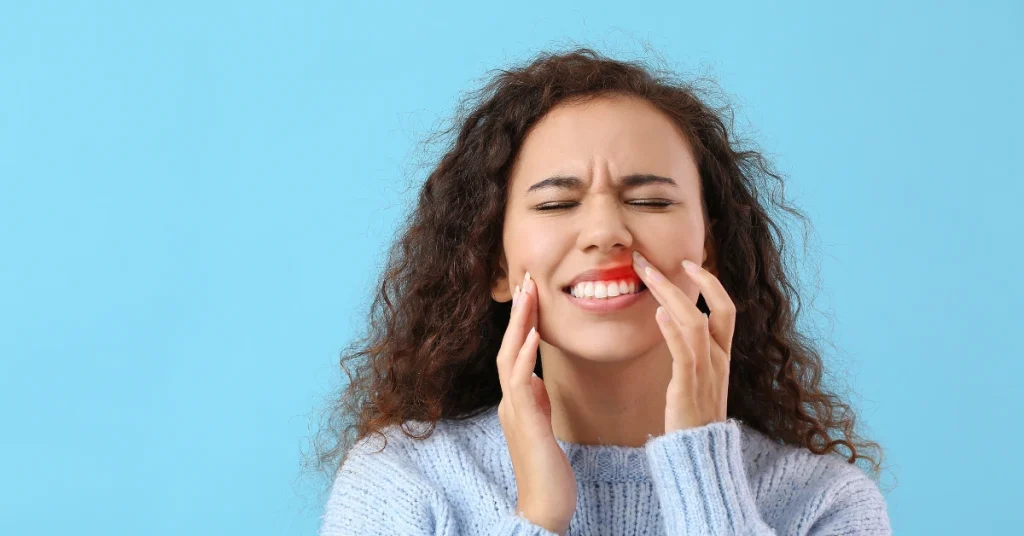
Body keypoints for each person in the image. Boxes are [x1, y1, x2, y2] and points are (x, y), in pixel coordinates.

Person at [312, 47, 891, 535]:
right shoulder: (401, 483)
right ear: (494, 265)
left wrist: (704, 476)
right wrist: (538, 513)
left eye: (651, 201)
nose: (607, 233)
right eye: (556, 204)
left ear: (709, 249)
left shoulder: (825, 504)